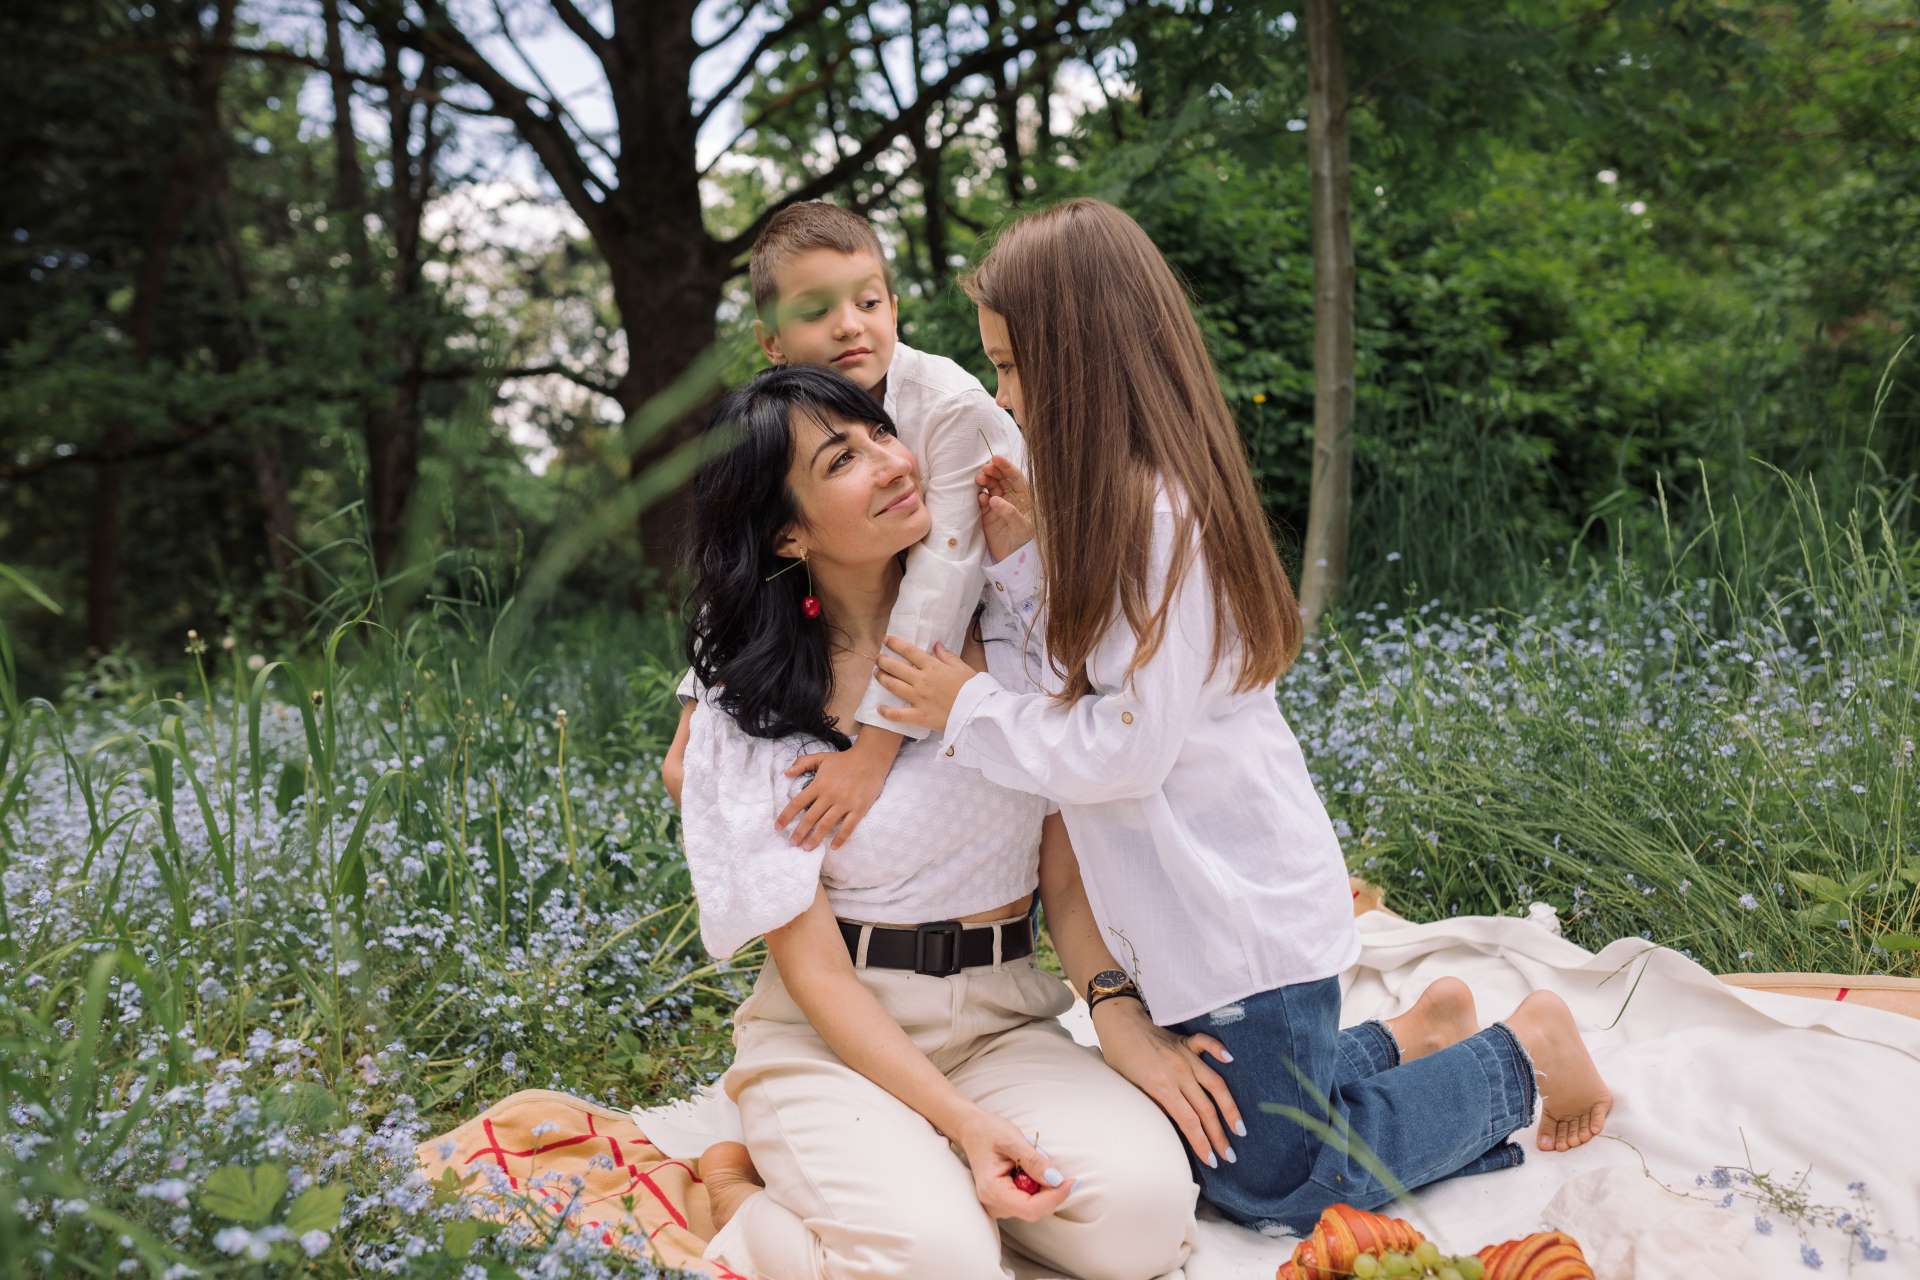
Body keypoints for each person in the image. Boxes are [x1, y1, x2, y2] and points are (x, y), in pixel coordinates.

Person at [873, 197, 1616, 1235]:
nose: (1004, 396)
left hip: (1240, 924)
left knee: (1264, 1177)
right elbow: (1076, 680)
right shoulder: (1104, 517)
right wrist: (1023, 556)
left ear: (1084, 367)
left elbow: (1116, 751)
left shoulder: (1162, 522)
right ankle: (1416, 1030)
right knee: (1206, 1122)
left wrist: (968, 704)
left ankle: (1521, 1055)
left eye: (1012, 368)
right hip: (1184, 927)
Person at [672, 364, 1197, 1279]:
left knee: (1143, 1221)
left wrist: (1118, 1013)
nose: (890, 461)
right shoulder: (748, 697)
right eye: (843, 458)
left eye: (882, 433)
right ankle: (738, 1192)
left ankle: (922, 1177)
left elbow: (1066, 881)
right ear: (788, 533)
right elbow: (816, 974)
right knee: (940, 1263)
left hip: (1004, 1020)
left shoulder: (1010, 636)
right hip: (831, 1038)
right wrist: (967, 1125)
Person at [661, 200, 1020, 856]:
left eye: (868, 302)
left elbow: (943, 581)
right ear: (771, 342)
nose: (849, 327)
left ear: (894, 307)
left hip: (997, 621)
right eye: (816, 310)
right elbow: (745, 553)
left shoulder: (949, 405)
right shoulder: (779, 419)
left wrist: (871, 755)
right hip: (876, 634)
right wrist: (696, 713)